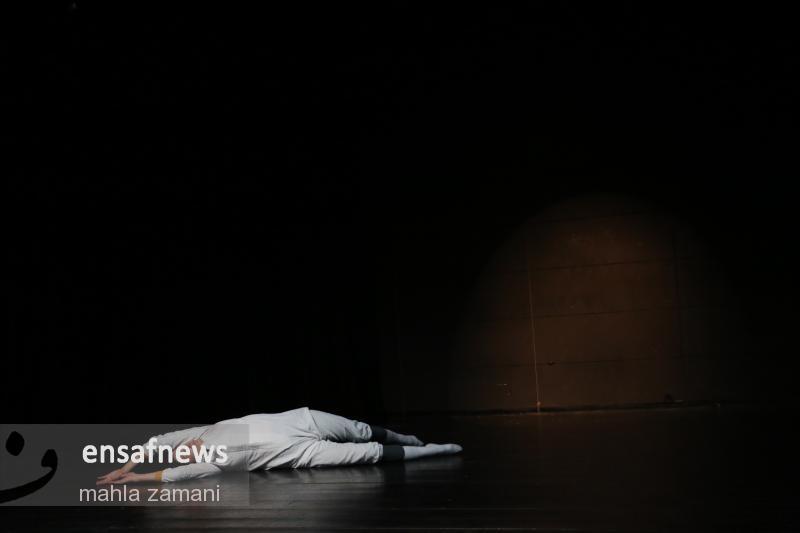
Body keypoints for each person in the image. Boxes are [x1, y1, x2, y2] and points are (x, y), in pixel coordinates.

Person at [96, 407, 462, 484]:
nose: (187, 447)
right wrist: (136, 479)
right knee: (370, 454)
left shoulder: (204, 431)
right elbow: (175, 475)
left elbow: (157, 442)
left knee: (361, 430)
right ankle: (437, 450)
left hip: (301, 421)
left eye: (185, 445)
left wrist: (127, 465)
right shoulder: (212, 463)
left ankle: (405, 437)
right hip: (304, 454)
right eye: (186, 454)